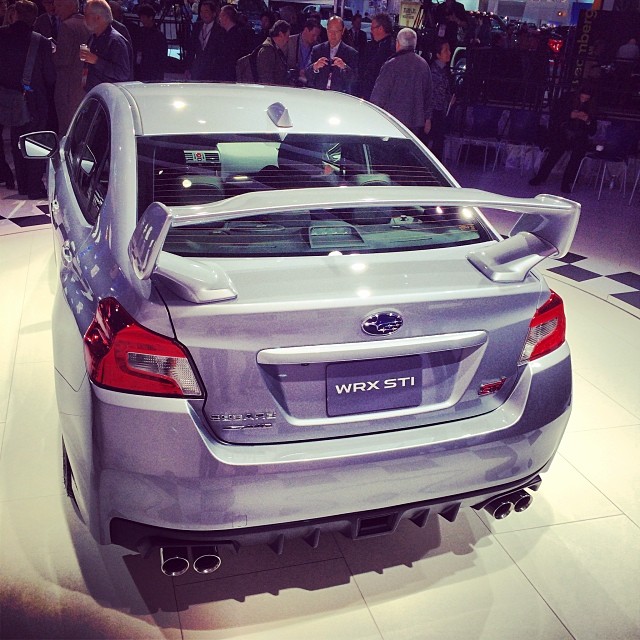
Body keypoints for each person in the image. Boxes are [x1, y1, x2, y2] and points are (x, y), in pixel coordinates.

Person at [0, 0, 55, 198]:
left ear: (15, 15)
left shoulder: (1, 34)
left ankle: (22, 184)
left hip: (6, 96)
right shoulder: (40, 41)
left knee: (16, 138)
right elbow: (49, 76)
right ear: (33, 17)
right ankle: (33, 187)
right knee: (35, 140)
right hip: (33, 98)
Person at [529, 86, 597, 194]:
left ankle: (566, 182)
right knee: (554, 154)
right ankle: (540, 177)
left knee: (576, 157)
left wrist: (587, 120)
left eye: (586, 99)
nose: (583, 100)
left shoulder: (592, 107)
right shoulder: (567, 100)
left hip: (580, 136)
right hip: (564, 132)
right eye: (582, 97)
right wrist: (570, 115)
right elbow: (556, 116)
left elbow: (593, 130)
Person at [370, 28, 432, 143]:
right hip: (416, 122)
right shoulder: (424, 65)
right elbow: (428, 95)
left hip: (393, 121)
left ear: (397, 43)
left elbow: (378, 96)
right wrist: (427, 118)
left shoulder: (391, 65)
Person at [53, 0, 88, 133]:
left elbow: (63, 60)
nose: (56, 11)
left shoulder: (67, 26)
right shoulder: (88, 23)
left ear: (71, 6)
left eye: (59, 6)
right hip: (84, 85)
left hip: (68, 87)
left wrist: (52, 53)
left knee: (66, 129)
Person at [81, 0, 131, 91]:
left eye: (86, 15)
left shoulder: (116, 41)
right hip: (94, 93)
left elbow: (123, 73)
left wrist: (96, 61)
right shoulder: (93, 37)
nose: (84, 18)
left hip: (108, 97)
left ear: (98, 17)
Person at [306, 15, 358, 95]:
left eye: (336, 31)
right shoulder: (317, 50)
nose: (333, 35)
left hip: (339, 97)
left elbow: (354, 80)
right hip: (318, 95)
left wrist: (344, 67)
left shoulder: (351, 53)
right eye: (330, 31)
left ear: (343, 31)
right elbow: (307, 74)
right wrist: (315, 66)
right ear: (326, 30)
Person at [428, 37, 454, 160]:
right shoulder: (434, 72)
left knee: (439, 142)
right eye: (446, 50)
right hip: (434, 112)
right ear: (438, 54)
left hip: (441, 111)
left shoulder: (444, 71)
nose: (449, 53)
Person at [359, 12, 393, 100]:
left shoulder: (391, 48)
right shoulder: (371, 46)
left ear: (380, 28)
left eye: (372, 28)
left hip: (381, 95)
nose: (371, 31)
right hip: (369, 93)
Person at [185, 0, 221, 81]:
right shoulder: (197, 26)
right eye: (201, 11)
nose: (203, 14)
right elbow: (191, 49)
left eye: (206, 11)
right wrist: (187, 68)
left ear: (214, 13)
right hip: (197, 70)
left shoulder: (219, 30)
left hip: (213, 71)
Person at [134, 3, 165, 81]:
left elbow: (161, 57)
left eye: (143, 17)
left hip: (153, 70)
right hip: (140, 68)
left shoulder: (159, 36)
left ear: (150, 17)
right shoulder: (140, 32)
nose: (141, 19)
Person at [285, 17, 320, 86]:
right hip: (290, 84)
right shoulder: (290, 42)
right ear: (306, 30)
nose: (315, 38)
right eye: (313, 35)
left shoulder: (317, 47)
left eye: (317, 36)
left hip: (309, 85)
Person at [256, 19, 290, 86]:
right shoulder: (267, 51)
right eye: (287, 36)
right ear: (281, 34)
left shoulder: (275, 49)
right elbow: (266, 78)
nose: (288, 39)